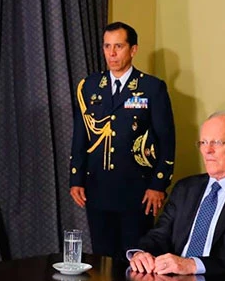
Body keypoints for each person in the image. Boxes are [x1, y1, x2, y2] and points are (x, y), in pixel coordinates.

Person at [69, 21, 176, 257]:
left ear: (133, 49)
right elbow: (81, 135)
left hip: (137, 190)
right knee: (102, 257)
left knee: (135, 258)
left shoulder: (151, 88)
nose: (112, 53)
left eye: (118, 46)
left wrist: (158, 185)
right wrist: (76, 177)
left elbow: (166, 140)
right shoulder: (90, 86)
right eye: (107, 46)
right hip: (98, 187)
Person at [128, 112, 225, 276]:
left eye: (217, 142)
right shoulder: (185, 188)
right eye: (203, 142)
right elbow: (159, 235)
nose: (207, 150)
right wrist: (141, 253)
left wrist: (193, 265)